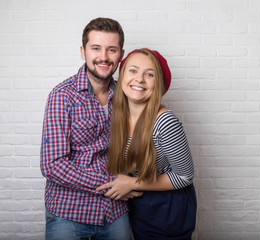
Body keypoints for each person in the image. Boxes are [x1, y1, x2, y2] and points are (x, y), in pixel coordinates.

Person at [40, 17, 140, 240]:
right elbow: (52, 165)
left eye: (111, 50)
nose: (103, 57)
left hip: (115, 213)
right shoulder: (62, 96)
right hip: (69, 213)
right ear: (83, 52)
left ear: (121, 55)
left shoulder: (127, 96)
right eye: (96, 48)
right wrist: (111, 184)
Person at [96, 48, 197, 240]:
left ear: (158, 84)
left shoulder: (164, 121)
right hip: (140, 204)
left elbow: (185, 176)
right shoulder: (117, 115)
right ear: (122, 76)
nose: (139, 79)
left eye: (149, 74)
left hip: (167, 209)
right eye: (133, 71)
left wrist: (132, 183)